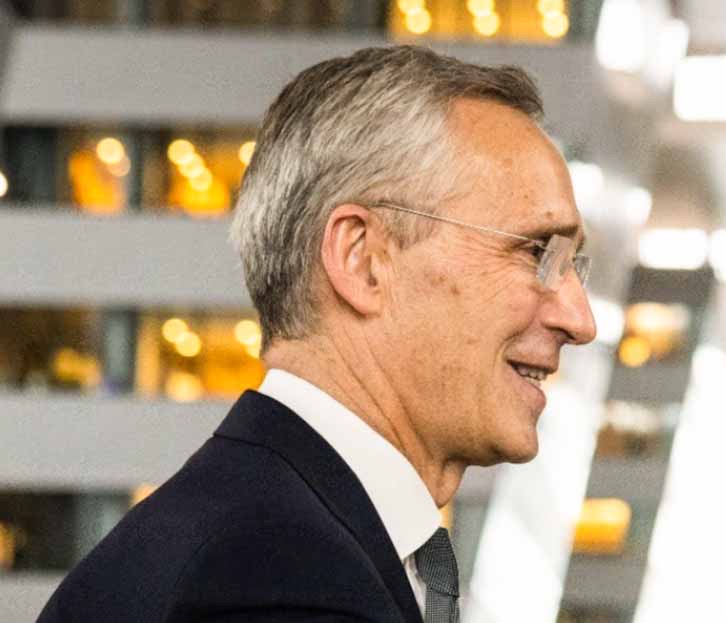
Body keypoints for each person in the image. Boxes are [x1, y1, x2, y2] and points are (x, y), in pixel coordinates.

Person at [38, 45, 595, 623]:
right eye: (537, 252)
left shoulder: (268, 537)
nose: (580, 321)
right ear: (363, 260)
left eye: (572, 265)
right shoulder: (275, 577)